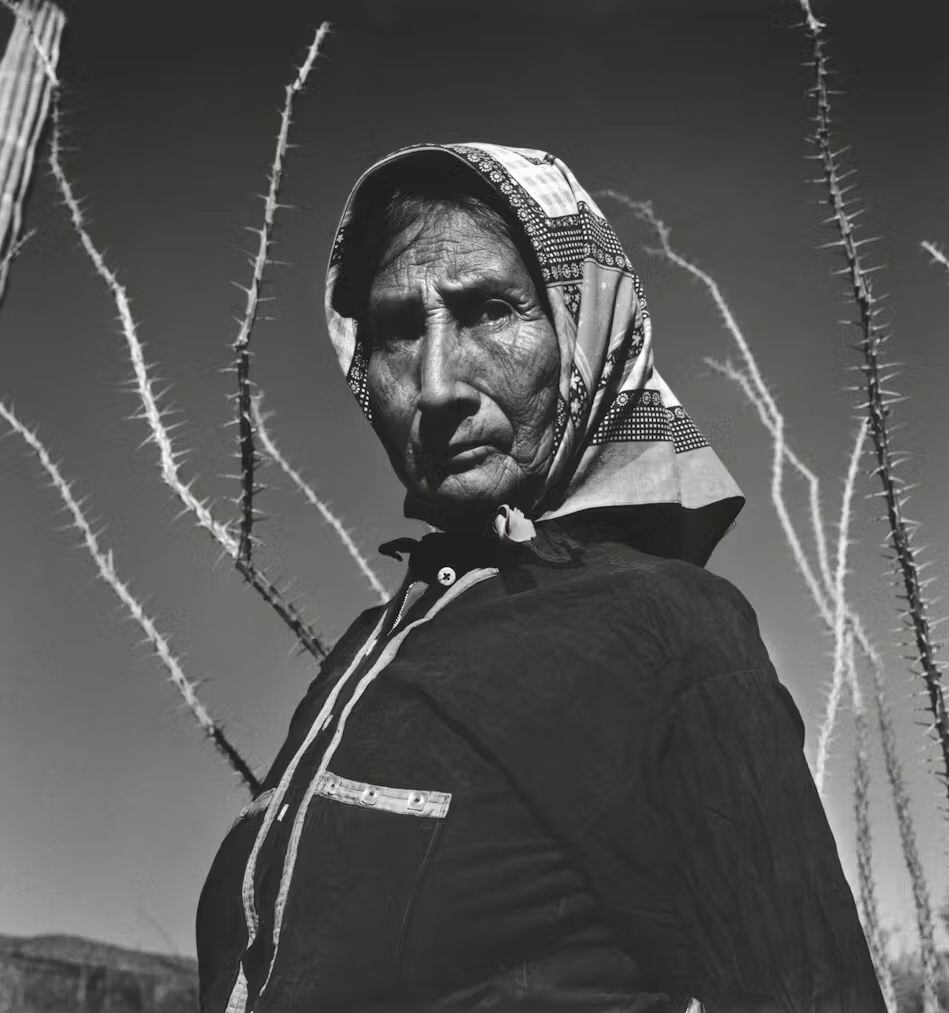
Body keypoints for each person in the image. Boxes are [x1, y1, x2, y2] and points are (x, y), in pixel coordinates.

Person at [196, 143, 887, 1013]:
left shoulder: (668, 632)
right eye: (399, 329)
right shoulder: (367, 656)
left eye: (489, 310)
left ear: (582, 329)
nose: (438, 383)